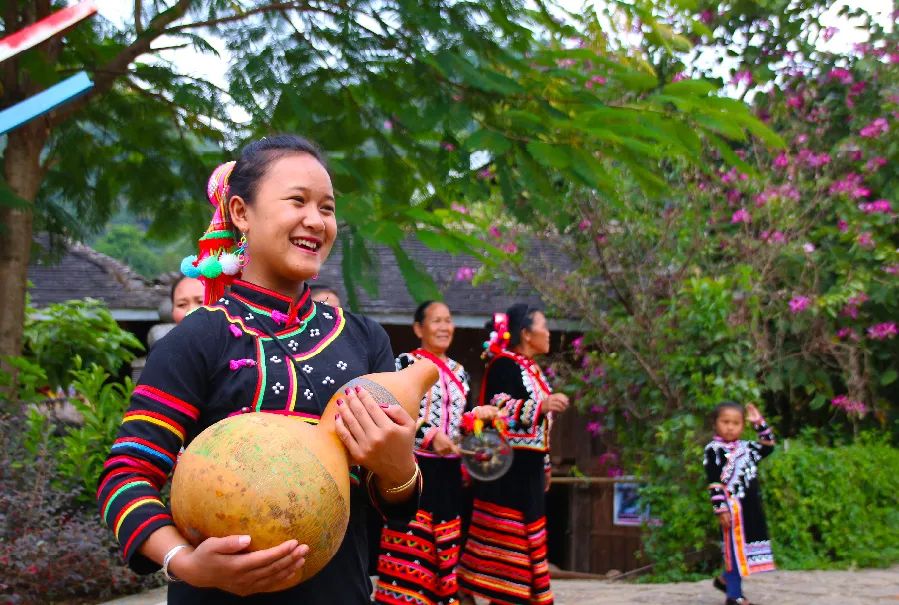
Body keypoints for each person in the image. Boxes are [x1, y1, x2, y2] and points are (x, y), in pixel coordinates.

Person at [97, 135, 420, 604]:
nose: (316, 220)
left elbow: (389, 500)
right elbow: (125, 476)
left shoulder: (365, 339)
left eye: (327, 208)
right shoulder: (198, 339)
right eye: (298, 201)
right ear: (240, 213)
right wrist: (186, 564)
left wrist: (399, 468)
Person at [457, 304, 569, 605]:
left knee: (526, 535)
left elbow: (539, 429)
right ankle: (491, 590)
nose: (548, 332)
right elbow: (499, 406)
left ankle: (500, 592)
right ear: (526, 334)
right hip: (510, 472)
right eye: (543, 326)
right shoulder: (504, 365)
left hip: (529, 468)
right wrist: (541, 407)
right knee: (510, 536)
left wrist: (545, 464)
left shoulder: (531, 368)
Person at [374, 301, 472, 605]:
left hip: (449, 473)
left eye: (448, 320)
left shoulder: (461, 372)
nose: (444, 327)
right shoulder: (405, 364)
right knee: (412, 545)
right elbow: (391, 406)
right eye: (436, 321)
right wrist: (429, 435)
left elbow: (462, 419)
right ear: (419, 328)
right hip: (415, 468)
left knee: (445, 543)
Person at [704, 401, 776, 605]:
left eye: (735, 423)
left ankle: (725, 580)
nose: (730, 427)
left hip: (750, 509)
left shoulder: (748, 448)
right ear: (715, 423)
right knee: (733, 551)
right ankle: (734, 596)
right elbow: (714, 481)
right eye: (725, 421)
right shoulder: (713, 450)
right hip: (731, 508)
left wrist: (759, 423)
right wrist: (721, 509)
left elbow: (769, 446)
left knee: (742, 549)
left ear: (742, 426)